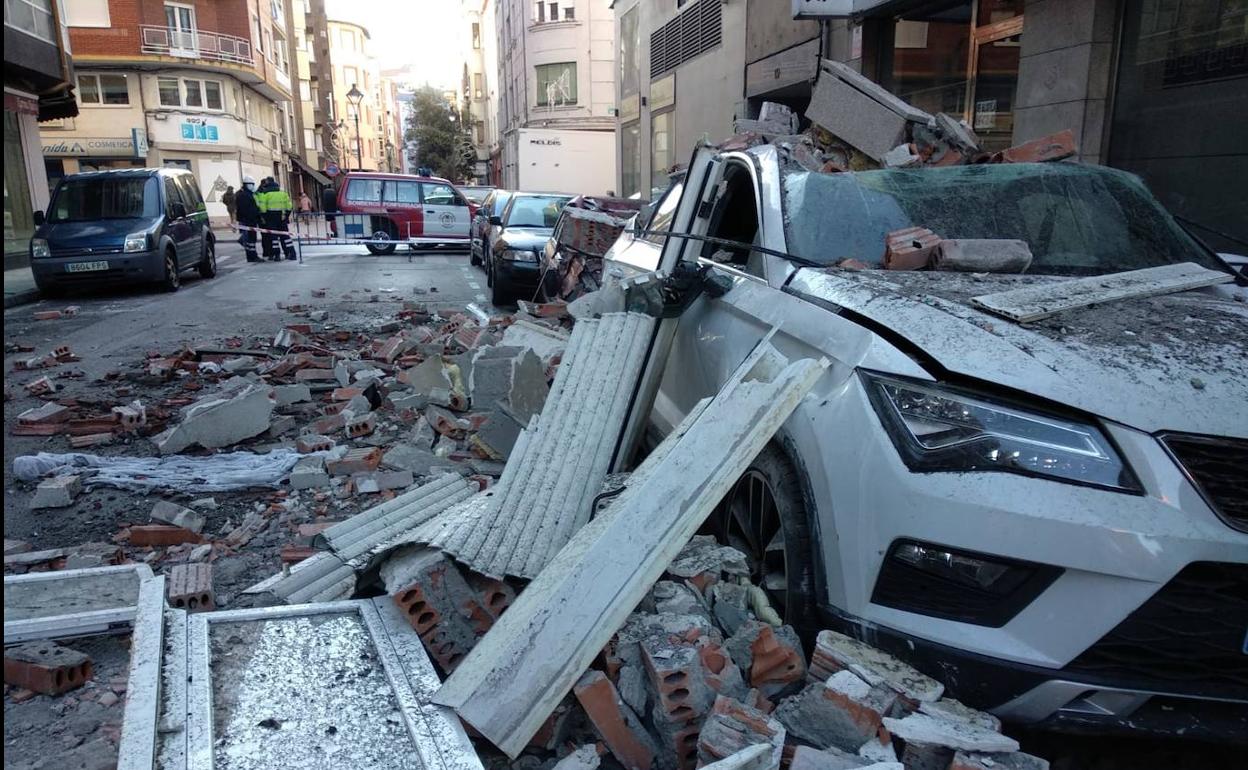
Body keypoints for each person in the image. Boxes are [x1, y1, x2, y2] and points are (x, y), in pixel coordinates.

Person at [256, 177, 297, 261]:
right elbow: (289, 207)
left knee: (273, 237)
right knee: (286, 236)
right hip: (282, 218)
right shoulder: (283, 194)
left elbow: (262, 209)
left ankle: (277, 255)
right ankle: (291, 253)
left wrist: (265, 218)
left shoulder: (265, 195)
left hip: (271, 219)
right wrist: (286, 216)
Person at [235, 177, 261, 262]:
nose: (253, 186)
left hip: (248, 220)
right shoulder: (245, 195)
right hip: (248, 220)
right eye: (252, 184)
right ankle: (252, 256)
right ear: (247, 184)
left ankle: (252, 256)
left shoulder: (245, 194)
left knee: (251, 239)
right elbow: (247, 209)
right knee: (250, 239)